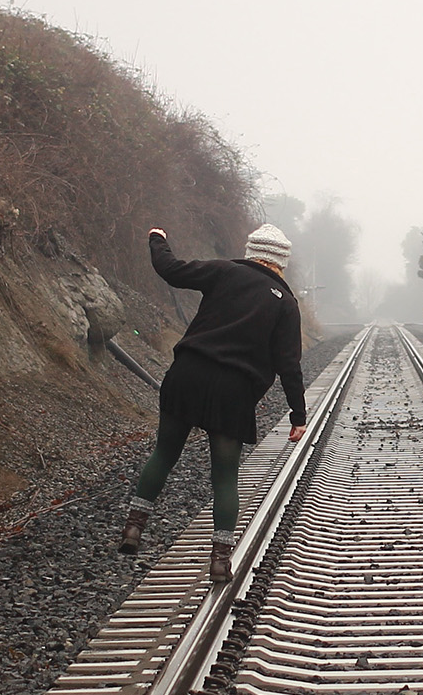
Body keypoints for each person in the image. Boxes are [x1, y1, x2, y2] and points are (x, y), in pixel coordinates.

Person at [117, 223, 308, 581]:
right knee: (224, 477)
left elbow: (171, 270)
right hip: (233, 392)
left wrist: (158, 239)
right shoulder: (286, 304)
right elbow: (289, 365)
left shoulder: (224, 272)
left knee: (164, 453)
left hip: (188, 375)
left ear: (251, 252)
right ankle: (219, 559)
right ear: (281, 263)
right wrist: (298, 415)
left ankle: (133, 527)